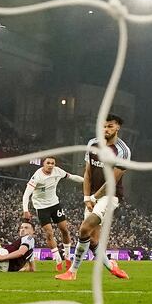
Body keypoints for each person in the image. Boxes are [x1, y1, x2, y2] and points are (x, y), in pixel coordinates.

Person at [56, 114, 130, 281]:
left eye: (110, 126)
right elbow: (87, 172)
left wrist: (94, 198)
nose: (106, 129)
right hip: (93, 197)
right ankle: (112, 267)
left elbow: (112, 180)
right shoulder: (92, 144)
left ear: (118, 128)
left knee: (84, 229)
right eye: (104, 126)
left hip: (110, 196)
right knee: (93, 240)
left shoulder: (122, 151)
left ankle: (72, 272)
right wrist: (86, 197)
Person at [22, 156, 83, 271]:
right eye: (48, 163)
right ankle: (58, 260)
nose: (50, 165)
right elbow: (26, 195)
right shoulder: (37, 176)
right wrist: (25, 210)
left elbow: (72, 177)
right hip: (41, 207)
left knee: (64, 229)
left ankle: (68, 257)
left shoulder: (58, 171)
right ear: (43, 164)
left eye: (52, 163)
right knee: (49, 233)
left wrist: (87, 181)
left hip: (55, 204)